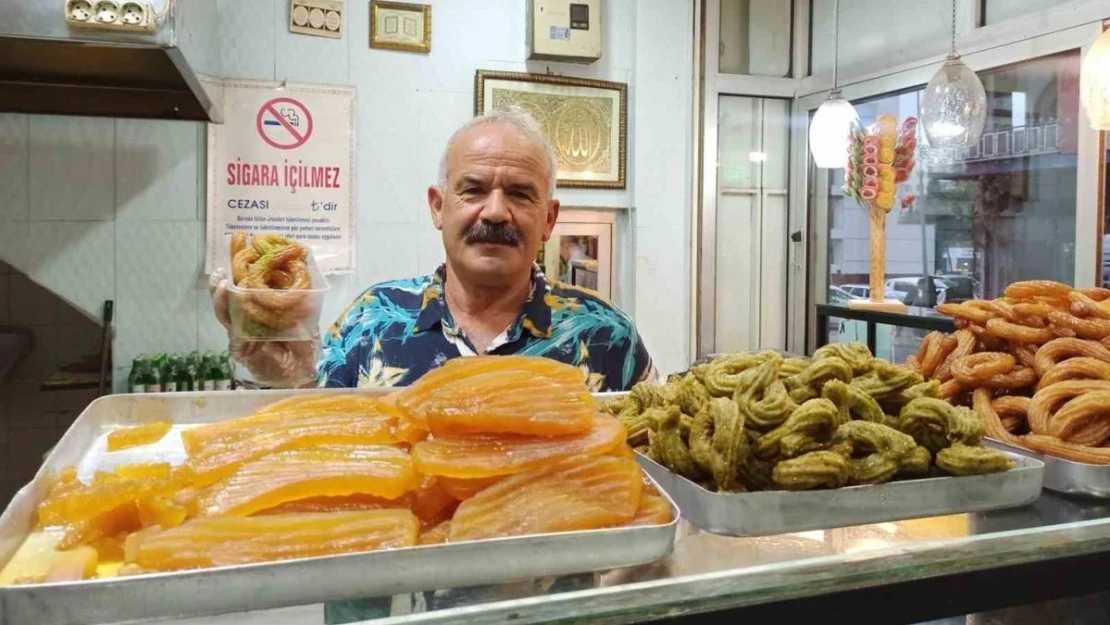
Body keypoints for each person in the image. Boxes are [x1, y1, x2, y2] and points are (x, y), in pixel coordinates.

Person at [212, 108, 655, 391]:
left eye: (520, 194)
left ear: (550, 220)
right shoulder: (369, 322)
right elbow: (315, 448)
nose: (497, 212)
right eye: (474, 190)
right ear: (438, 207)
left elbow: (663, 459)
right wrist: (282, 375)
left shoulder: (608, 336)